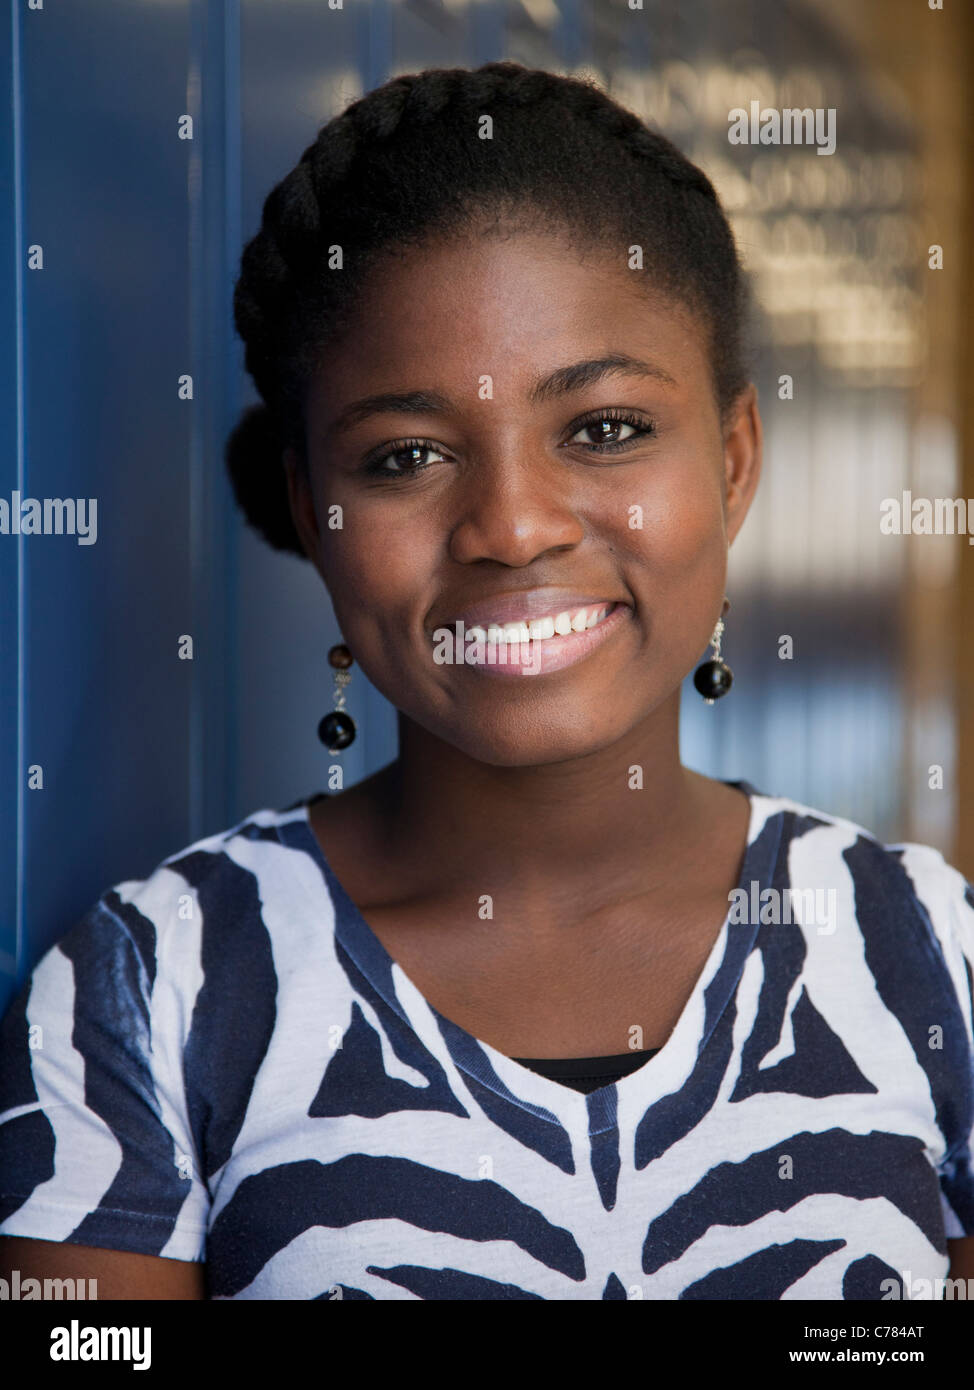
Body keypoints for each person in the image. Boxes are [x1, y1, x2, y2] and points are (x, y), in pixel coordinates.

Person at [1, 61, 973, 1302]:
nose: (511, 526)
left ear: (731, 464)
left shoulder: (925, 953)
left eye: (605, 428)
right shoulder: (151, 991)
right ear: (313, 509)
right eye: (405, 455)